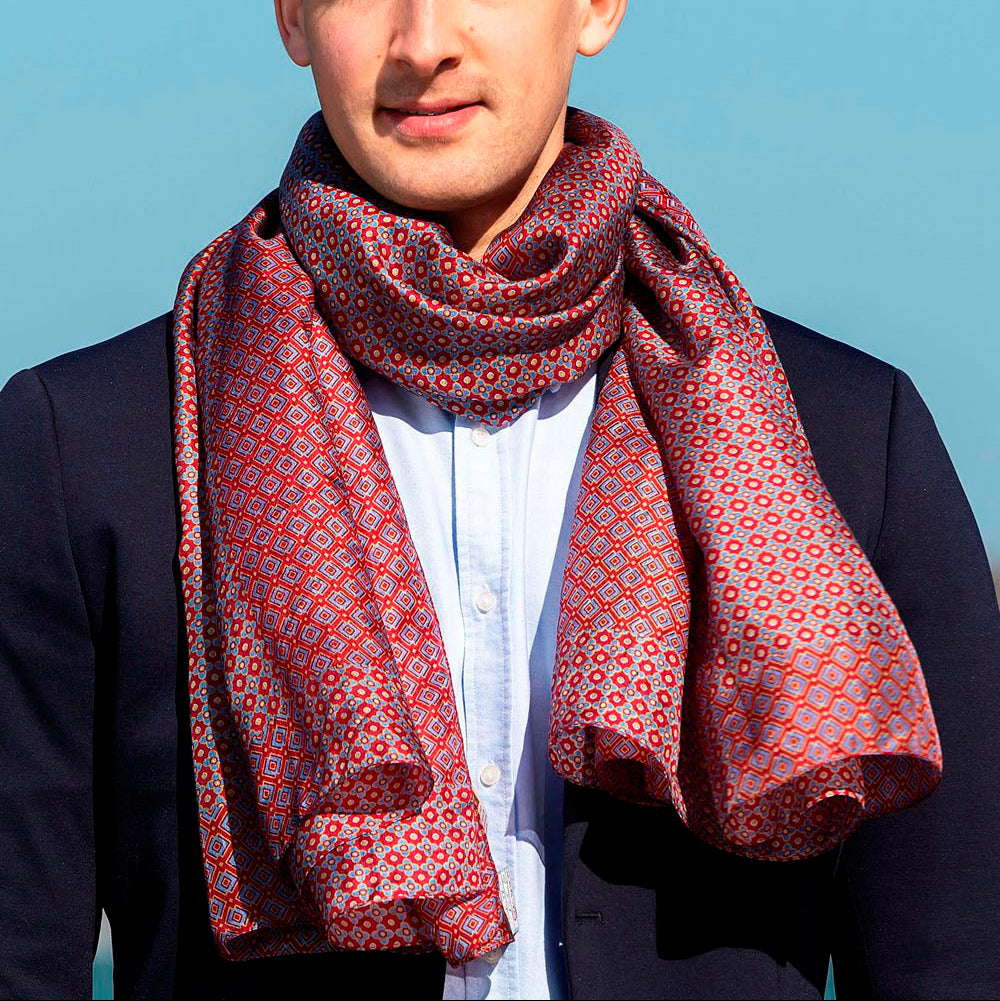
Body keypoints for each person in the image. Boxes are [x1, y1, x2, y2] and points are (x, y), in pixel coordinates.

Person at [1, 1, 997, 998]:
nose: (424, 41)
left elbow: (952, 955)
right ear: (292, 18)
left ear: (595, 7)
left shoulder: (845, 438)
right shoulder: (85, 448)